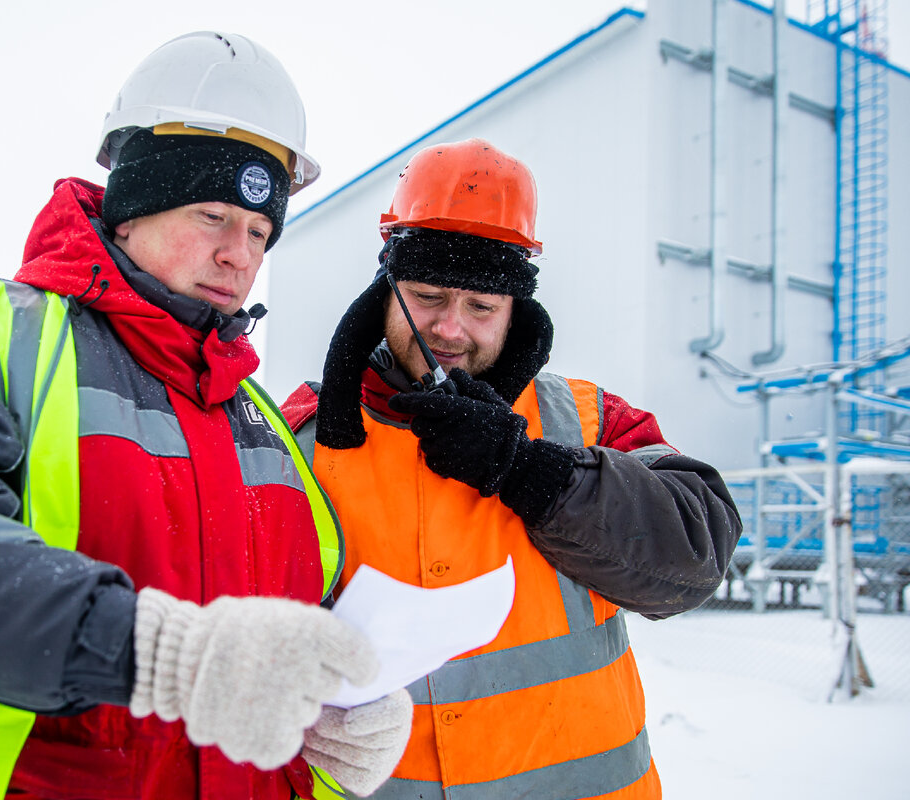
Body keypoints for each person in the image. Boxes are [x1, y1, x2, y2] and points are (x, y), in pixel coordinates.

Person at [0, 31, 411, 800]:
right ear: (131, 208)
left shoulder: (260, 421)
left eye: (261, 231)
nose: (242, 254)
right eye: (213, 216)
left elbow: (299, 629)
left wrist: (341, 713)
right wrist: (157, 653)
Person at [281, 138, 743, 799]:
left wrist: (530, 471)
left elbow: (694, 558)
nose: (450, 329)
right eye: (428, 296)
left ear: (514, 310)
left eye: (481, 307)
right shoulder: (297, 433)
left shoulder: (588, 418)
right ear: (387, 291)